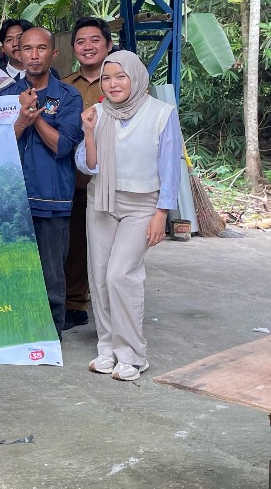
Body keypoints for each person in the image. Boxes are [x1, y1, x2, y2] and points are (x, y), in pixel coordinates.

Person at [77, 50, 182, 381]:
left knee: (120, 274)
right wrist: (89, 132)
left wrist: (162, 213)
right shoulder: (97, 113)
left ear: (135, 77)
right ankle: (107, 348)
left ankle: (133, 355)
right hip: (102, 201)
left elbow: (170, 168)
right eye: (106, 78)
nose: (113, 84)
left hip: (142, 205)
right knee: (99, 276)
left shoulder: (161, 114)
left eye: (120, 76)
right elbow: (88, 166)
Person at [0, 27, 84, 334]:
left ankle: (50, 334)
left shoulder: (68, 96)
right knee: (12, 268)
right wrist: (20, 122)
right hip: (14, 198)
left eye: (41, 48)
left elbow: (62, 146)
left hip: (52, 198)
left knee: (51, 273)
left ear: (53, 53)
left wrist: (33, 116)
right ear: (18, 54)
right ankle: (14, 330)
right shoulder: (5, 97)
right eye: (27, 49)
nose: (34, 56)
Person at [63, 17, 115, 330]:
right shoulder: (66, 86)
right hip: (74, 178)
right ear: (73, 49)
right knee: (76, 243)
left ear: (108, 44)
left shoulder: (121, 83)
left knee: (112, 247)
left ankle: (111, 306)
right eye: (80, 42)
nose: (87, 47)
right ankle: (75, 303)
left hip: (113, 178)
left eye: (95, 40)